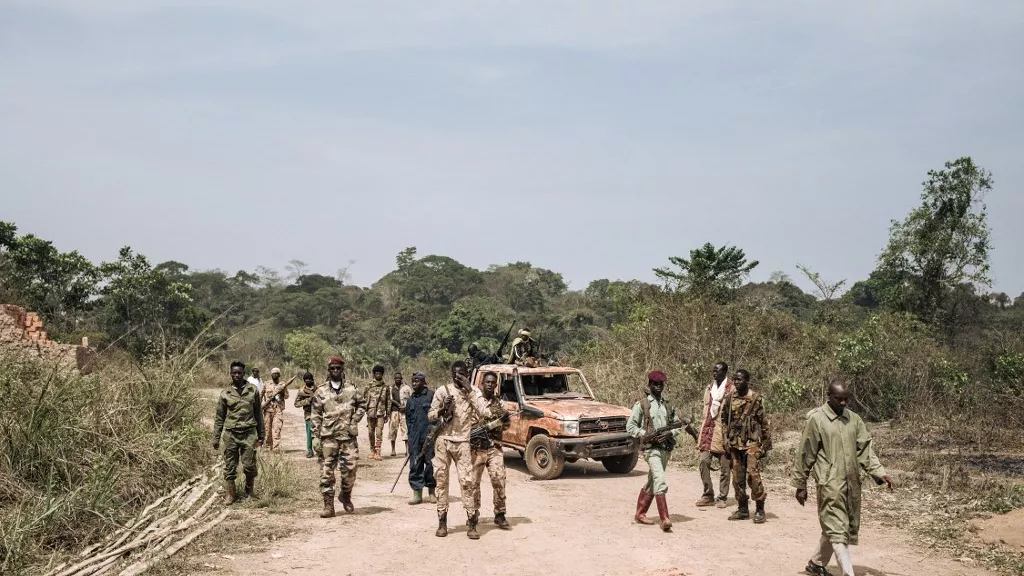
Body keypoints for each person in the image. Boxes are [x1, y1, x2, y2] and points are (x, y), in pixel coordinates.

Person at [793, 381, 893, 576]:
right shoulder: (817, 420)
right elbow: (806, 452)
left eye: (847, 398)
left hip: (852, 484)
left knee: (837, 526)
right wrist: (800, 484)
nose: (844, 403)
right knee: (838, 530)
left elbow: (865, 449)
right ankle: (848, 573)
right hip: (830, 483)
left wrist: (879, 472)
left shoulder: (854, 420)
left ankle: (816, 563)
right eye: (839, 399)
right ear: (829, 396)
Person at [428, 361, 491, 539]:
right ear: (451, 374)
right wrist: (442, 409)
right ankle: (442, 523)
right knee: (441, 480)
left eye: (462, 373)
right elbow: (430, 416)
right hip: (443, 441)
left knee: (467, 482)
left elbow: (485, 412)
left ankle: (471, 524)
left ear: (467, 374)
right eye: (455, 373)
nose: (458, 377)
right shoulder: (442, 391)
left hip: (463, 441)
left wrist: (469, 390)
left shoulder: (474, 392)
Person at [626, 370, 692, 532]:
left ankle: (640, 513)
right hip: (650, 449)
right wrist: (646, 434)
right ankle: (665, 519)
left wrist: (670, 433)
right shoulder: (642, 404)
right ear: (649, 385)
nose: (658, 387)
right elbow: (631, 426)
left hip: (665, 449)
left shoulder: (668, 405)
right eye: (655, 384)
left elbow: (677, 425)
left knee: (653, 480)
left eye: (661, 384)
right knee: (660, 480)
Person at [310, 355, 368, 518]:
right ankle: (328, 506)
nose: (335, 371)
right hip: (328, 438)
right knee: (326, 472)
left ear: (342, 370)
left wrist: (354, 421)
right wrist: (315, 436)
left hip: (347, 437)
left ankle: (346, 494)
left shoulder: (351, 389)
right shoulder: (320, 391)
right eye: (332, 368)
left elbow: (363, 405)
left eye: (338, 368)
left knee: (350, 471)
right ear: (328, 370)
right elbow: (315, 414)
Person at [720, 369, 772, 524]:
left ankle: (760, 508)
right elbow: (724, 419)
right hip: (735, 443)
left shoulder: (755, 398)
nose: (736, 382)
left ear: (747, 380)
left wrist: (766, 444)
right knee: (737, 478)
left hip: (752, 443)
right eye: (735, 379)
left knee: (753, 476)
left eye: (740, 379)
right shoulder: (730, 398)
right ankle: (742, 509)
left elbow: (764, 422)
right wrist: (725, 438)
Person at [213, 360, 265, 505]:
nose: (237, 375)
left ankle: (250, 493)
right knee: (230, 466)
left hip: (249, 434)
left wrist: (261, 435)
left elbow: (258, 414)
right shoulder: (225, 393)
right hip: (231, 435)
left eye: (239, 373)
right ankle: (231, 495)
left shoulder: (253, 390)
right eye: (234, 373)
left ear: (244, 374)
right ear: (230, 374)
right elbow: (219, 417)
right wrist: (216, 437)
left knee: (249, 465)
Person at [470, 371, 512, 530]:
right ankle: (473, 514)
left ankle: (500, 515)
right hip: (476, 447)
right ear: (482, 383)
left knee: (499, 479)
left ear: (496, 385)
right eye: (487, 381)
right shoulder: (474, 401)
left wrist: (500, 422)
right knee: (473, 483)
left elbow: (507, 425)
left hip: (494, 447)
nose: (489, 384)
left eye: (492, 382)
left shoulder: (501, 404)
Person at [696, 361, 734, 508]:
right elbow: (705, 410)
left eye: (718, 371)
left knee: (725, 467)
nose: (715, 373)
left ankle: (722, 497)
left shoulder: (731, 389)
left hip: (723, 434)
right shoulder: (709, 388)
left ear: (725, 372)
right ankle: (708, 494)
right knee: (703, 462)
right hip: (707, 432)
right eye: (713, 370)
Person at [406, 371, 436, 505]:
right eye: (413, 381)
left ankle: (431, 492)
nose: (414, 383)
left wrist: (434, 432)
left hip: (429, 436)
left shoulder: (431, 396)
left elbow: (438, 415)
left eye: (417, 381)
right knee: (415, 464)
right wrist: (411, 437)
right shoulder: (411, 399)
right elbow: (408, 419)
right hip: (415, 438)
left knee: (430, 464)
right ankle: (417, 493)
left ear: (423, 382)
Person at [259, 367, 291, 451]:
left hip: (278, 409)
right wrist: (259, 406)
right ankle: (267, 447)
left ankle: (276, 448)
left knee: (277, 429)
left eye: (276, 373)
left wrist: (282, 392)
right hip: (268, 409)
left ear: (279, 375)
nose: (275, 375)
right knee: (267, 429)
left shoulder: (283, 384)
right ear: (271, 375)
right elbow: (260, 395)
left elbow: (287, 396)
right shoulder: (266, 384)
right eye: (273, 373)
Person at [364, 365, 391, 461]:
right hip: (371, 412)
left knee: (379, 432)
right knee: (371, 432)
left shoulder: (386, 387)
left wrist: (388, 414)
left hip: (381, 413)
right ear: (374, 374)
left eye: (380, 373)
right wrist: (364, 410)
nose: (378, 375)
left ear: (382, 374)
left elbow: (388, 401)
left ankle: (378, 451)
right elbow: (364, 399)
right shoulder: (369, 386)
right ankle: (372, 450)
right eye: (376, 373)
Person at [294, 371, 318, 458]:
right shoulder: (302, 390)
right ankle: (310, 450)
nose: (308, 381)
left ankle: (320, 450)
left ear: (312, 379)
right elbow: (296, 404)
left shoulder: (318, 389)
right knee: (309, 433)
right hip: (308, 414)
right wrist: (307, 401)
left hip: (319, 414)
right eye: (306, 379)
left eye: (310, 379)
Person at [389, 371, 412, 457]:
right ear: (394, 379)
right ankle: (393, 450)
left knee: (405, 430)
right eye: (396, 378)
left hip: (404, 412)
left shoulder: (407, 388)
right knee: (393, 430)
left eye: (399, 378)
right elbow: (390, 399)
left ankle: (407, 450)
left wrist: (406, 407)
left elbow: (411, 398)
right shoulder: (391, 388)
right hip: (394, 412)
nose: (398, 379)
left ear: (402, 379)